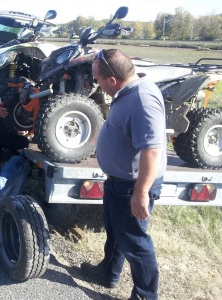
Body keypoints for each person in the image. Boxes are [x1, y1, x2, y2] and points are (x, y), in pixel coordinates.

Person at [81, 49, 166, 300]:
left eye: (98, 80)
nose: (97, 84)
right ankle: (108, 272)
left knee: (135, 242)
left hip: (133, 184)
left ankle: (145, 295)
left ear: (112, 80)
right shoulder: (127, 92)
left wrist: (140, 193)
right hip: (119, 181)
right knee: (115, 231)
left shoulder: (142, 99)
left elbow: (152, 150)